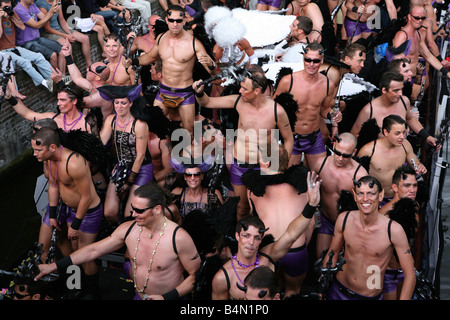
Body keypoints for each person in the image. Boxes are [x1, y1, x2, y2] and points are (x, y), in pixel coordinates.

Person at [35, 183, 202, 300]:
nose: (133, 213)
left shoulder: (178, 237)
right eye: (132, 208)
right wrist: (54, 266)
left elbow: (196, 276)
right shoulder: (128, 229)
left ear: (157, 209)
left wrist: (165, 298)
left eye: (139, 210)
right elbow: (92, 251)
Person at [192, 64, 294, 222]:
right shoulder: (238, 101)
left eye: (244, 89)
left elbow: (288, 139)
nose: (240, 91)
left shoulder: (277, 111)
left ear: (257, 91)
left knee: (262, 207)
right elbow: (207, 102)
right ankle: (239, 239)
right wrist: (199, 92)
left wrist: (281, 166)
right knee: (242, 207)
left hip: (265, 166)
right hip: (240, 164)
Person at [211, 170, 321, 300]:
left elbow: (291, 234)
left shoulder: (268, 257)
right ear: (237, 236)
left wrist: (311, 205)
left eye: (257, 237)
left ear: (261, 240)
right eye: (246, 236)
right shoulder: (223, 277)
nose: (251, 242)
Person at [31, 127, 103, 298]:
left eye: (38, 150)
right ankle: (76, 284)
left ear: (53, 147)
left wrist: (75, 225)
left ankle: (92, 292)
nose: (34, 154)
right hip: (68, 208)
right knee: (69, 249)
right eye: (34, 149)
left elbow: (86, 197)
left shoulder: (74, 162)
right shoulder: (48, 161)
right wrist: (54, 214)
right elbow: (54, 185)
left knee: (83, 254)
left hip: (88, 212)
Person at [125, 5, 216, 139]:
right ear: (166, 20)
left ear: (184, 21)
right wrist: (133, 61)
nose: (175, 24)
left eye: (178, 21)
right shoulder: (161, 38)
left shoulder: (194, 43)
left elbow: (213, 74)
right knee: (153, 126)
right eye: (172, 20)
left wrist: (212, 64)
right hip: (164, 91)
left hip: (185, 93)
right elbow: (150, 56)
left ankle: (183, 158)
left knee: (188, 132)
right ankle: (166, 152)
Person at [324, 175, 416, 300]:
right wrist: (322, 287)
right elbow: (332, 253)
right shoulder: (344, 219)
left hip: (369, 297)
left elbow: (410, 275)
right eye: (360, 193)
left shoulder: (393, 230)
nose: (365, 199)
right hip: (338, 291)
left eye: (371, 194)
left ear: (380, 195)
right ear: (354, 195)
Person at [242, 142, 314, 298]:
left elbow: (254, 223)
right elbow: (311, 223)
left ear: (267, 163)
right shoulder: (303, 187)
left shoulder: (253, 191)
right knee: (293, 293)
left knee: (271, 294)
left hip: (269, 251)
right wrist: (300, 246)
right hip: (296, 249)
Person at [273, 42, 339, 168]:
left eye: (315, 61)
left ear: (322, 60)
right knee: (288, 178)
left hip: (314, 138)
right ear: (303, 58)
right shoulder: (288, 81)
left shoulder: (328, 85)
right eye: (308, 60)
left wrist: (333, 117)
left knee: (319, 176)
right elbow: (273, 109)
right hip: (291, 137)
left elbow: (324, 110)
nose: (311, 64)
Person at [98, 84, 152, 224]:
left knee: (131, 215)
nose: (119, 106)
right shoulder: (111, 120)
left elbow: (140, 156)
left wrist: (129, 182)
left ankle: (129, 234)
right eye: (116, 103)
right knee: (109, 212)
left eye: (123, 103)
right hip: (121, 166)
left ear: (130, 103)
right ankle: (119, 234)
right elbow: (101, 144)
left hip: (141, 169)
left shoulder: (139, 124)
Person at [309, 132, 368, 258]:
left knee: (346, 263)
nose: (340, 158)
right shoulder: (321, 164)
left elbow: (366, 205)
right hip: (326, 221)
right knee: (322, 261)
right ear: (334, 145)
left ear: (354, 152)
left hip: (349, 224)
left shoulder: (360, 174)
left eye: (345, 155)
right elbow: (309, 189)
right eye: (337, 152)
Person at [350, 71, 440, 149]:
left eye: (401, 89)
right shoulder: (369, 111)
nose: (400, 94)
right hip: (379, 157)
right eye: (396, 91)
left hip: (401, 152)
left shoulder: (404, 101)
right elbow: (354, 134)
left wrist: (427, 136)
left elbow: (409, 119)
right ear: (384, 90)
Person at [356, 115, 426, 203]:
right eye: (397, 133)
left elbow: (416, 164)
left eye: (404, 132)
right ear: (385, 132)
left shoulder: (405, 145)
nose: (402, 137)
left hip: (400, 196)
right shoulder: (368, 151)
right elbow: (358, 180)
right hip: (377, 199)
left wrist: (420, 167)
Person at [0, 0, 54, 92]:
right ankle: (45, 83)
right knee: (24, 62)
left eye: (9, 7)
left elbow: (22, 27)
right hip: (2, 51)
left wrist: (12, 16)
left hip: (14, 47)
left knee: (39, 57)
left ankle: (55, 80)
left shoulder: (12, 13)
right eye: (5, 7)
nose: (8, 9)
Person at [387, 5, 450, 80]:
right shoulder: (402, 35)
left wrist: (446, 72)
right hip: (404, 79)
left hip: (415, 77)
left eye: (422, 18)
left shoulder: (418, 34)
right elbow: (394, 62)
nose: (420, 20)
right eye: (417, 18)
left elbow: (428, 56)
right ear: (409, 17)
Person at [60, 39, 113, 120]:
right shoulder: (94, 87)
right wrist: (67, 55)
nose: (87, 70)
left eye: (90, 70)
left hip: (98, 131)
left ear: (97, 77)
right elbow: (77, 78)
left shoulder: (101, 95)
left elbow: (73, 102)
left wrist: (59, 82)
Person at [13, 0, 66, 74]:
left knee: (63, 49)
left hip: (37, 39)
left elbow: (45, 18)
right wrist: (50, 12)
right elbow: (36, 25)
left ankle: (63, 76)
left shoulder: (32, 5)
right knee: (53, 55)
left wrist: (53, 10)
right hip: (25, 43)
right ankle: (57, 80)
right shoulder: (18, 10)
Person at [36, 0, 92, 66]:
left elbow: (62, 20)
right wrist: (65, 36)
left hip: (59, 29)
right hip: (49, 33)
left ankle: (90, 66)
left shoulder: (58, 1)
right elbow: (47, 29)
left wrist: (69, 34)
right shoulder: (42, 4)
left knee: (85, 38)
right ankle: (72, 70)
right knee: (67, 46)